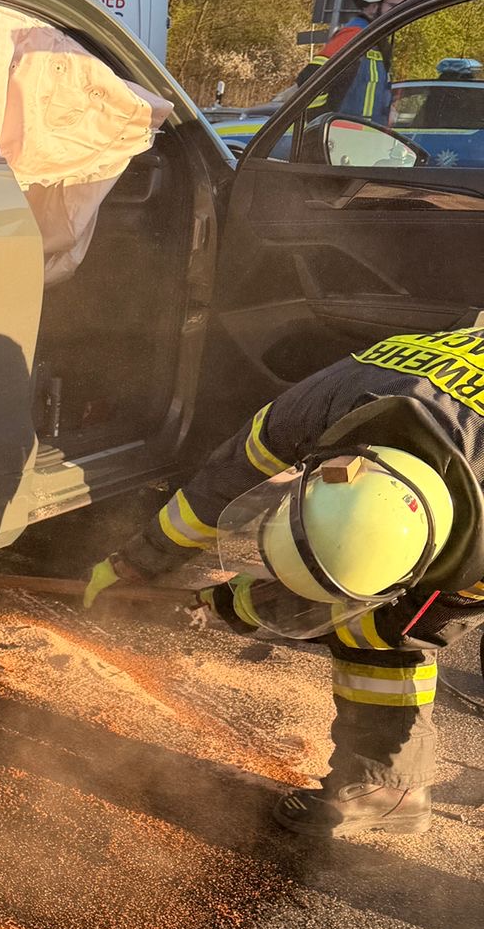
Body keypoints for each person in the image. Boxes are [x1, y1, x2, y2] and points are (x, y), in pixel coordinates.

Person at [84, 328, 484, 839]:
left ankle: (389, 788)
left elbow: (399, 613)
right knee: (373, 628)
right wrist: (139, 562)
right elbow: (222, 483)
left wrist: (246, 606)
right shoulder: (318, 406)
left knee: (387, 632)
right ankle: (385, 785)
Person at [302, 0, 426, 127]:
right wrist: (321, 123)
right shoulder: (353, 36)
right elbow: (309, 79)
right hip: (343, 140)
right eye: (393, 7)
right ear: (372, 7)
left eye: (405, 8)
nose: (401, 14)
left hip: (366, 140)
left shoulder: (378, 42)